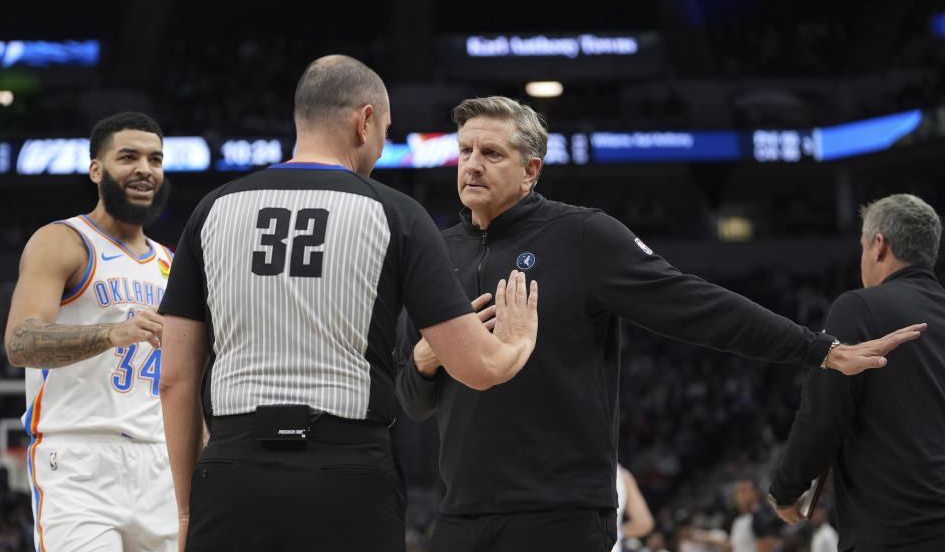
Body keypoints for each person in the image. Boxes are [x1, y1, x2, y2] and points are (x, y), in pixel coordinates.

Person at [394, 96, 926, 552]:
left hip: (560, 513)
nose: (472, 165)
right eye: (465, 151)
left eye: (492, 153)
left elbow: (696, 305)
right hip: (461, 514)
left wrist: (817, 348)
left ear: (532, 170)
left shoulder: (582, 237)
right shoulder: (437, 255)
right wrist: (425, 359)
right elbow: (414, 401)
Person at [157, 55, 539, 552]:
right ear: (363, 121)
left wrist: (187, 507)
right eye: (384, 129)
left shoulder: (211, 210)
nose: (380, 145)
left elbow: (173, 379)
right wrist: (517, 341)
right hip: (345, 473)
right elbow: (477, 367)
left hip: (231, 471)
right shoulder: (396, 214)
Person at [4, 111, 175, 551]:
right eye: (128, 157)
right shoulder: (63, 241)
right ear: (96, 170)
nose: (144, 169)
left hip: (161, 460)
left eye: (155, 160)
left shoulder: (171, 264)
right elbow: (20, 344)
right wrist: (110, 335)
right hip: (79, 459)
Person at [768, 193, 945, 551]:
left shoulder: (860, 308)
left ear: (878, 245)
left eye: (863, 246)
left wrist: (786, 490)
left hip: (894, 532)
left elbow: (822, 413)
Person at [612, 464, 655, 552]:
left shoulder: (577, 466)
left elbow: (644, 523)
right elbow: (644, 523)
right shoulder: (621, 474)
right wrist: (616, 532)